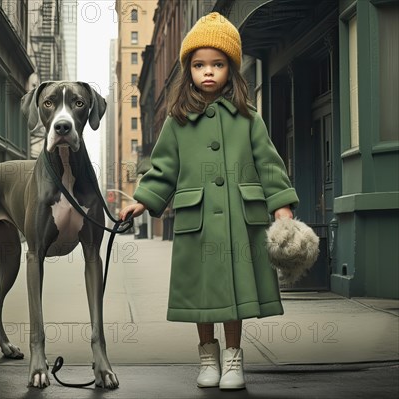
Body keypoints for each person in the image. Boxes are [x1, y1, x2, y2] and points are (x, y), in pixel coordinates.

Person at [119, 12, 298, 391]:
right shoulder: (178, 120)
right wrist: (143, 201)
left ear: (231, 70)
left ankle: (233, 359)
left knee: (234, 294)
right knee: (202, 295)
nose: (208, 72)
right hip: (197, 223)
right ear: (189, 71)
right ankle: (208, 357)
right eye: (199, 65)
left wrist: (281, 205)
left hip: (240, 220)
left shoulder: (248, 118)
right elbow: (164, 167)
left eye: (218, 64)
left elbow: (268, 163)